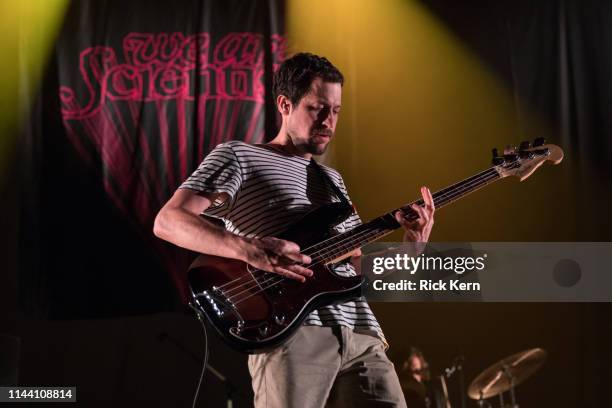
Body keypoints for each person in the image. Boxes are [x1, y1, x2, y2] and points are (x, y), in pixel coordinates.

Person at [154, 52, 435, 407]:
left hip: (363, 335)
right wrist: (250, 250)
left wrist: (413, 247)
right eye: (318, 108)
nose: (329, 121)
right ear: (285, 104)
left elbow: (356, 268)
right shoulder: (239, 156)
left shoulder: (332, 180)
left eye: (335, 111)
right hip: (292, 333)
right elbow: (168, 221)